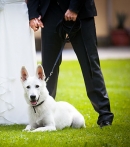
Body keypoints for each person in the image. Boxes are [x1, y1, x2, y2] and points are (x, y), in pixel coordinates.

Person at [27, 0, 114, 128]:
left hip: (80, 11)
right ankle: (44, 118)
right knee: (47, 69)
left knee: (90, 64)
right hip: (50, 11)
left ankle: (105, 115)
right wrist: (33, 14)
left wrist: (74, 7)